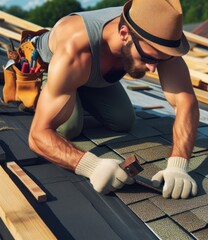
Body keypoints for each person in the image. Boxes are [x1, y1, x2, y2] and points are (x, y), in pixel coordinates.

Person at [29, 0, 199, 199]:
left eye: (160, 60)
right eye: (147, 58)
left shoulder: (158, 32)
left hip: (90, 74)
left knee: (123, 120)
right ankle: (55, 92)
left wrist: (178, 164)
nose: (153, 68)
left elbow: (185, 101)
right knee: (69, 128)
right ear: (124, 34)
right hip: (59, 69)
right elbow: (37, 135)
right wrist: (90, 166)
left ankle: (80, 91)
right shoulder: (75, 47)